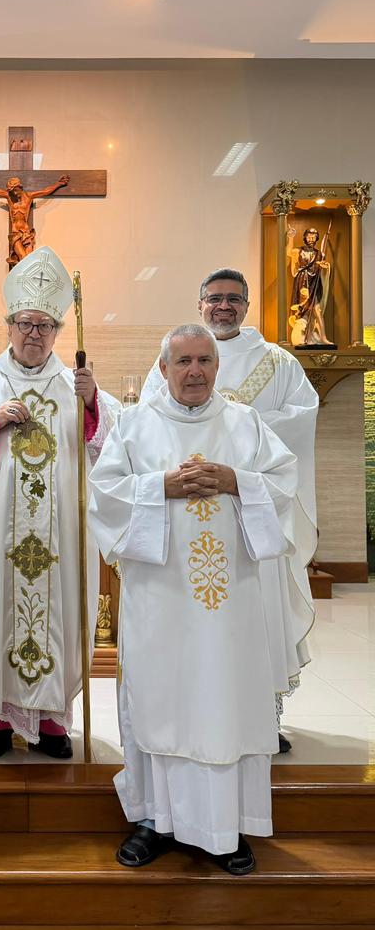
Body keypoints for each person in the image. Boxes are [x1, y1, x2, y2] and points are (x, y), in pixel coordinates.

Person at [89, 325, 301, 876]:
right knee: (160, 702)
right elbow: (104, 495)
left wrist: (236, 480)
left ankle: (224, 828)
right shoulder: (135, 426)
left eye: (204, 360)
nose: (194, 371)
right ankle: (153, 819)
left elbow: (283, 483)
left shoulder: (245, 423)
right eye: (183, 361)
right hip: (160, 602)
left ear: (217, 366)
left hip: (230, 608)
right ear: (163, 368)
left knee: (224, 702)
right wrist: (162, 485)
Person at [0, 247, 119, 760]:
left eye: (46, 325)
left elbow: (108, 450)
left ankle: (52, 722)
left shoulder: (77, 386)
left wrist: (93, 407)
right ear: (9, 325)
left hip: (59, 539)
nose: (35, 334)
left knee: (58, 614)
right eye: (26, 323)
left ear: (59, 332)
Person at [140, 268, 317, 753]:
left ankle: (262, 716)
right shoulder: (176, 350)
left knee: (257, 618)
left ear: (247, 305)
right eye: (215, 298)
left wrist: (243, 433)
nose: (224, 306)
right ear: (199, 304)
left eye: (234, 299)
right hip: (184, 530)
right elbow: (152, 426)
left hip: (250, 524)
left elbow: (302, 421)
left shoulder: (277, 362)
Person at [0, 172, 70, 265]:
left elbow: (45, 191)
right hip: (15, 234)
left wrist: (59, 184)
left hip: (26, 234)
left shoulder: (29, 196)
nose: (13, 193)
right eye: (11, 191)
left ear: (19, 187)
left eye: (15, 190)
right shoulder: (8, 196)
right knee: (23, 257)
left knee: (29, 259)